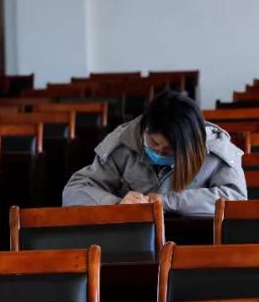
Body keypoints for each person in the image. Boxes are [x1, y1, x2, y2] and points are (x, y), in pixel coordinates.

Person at [63, 90, 247, 216]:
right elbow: (75, 191)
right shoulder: (123, 143)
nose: (159, 151)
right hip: (133, 239)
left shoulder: (214, 148)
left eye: (169, 149)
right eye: (153, 143)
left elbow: (236, 199)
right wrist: (115, 203)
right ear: (145, 129)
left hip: (198, 241)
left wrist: (168, 202)